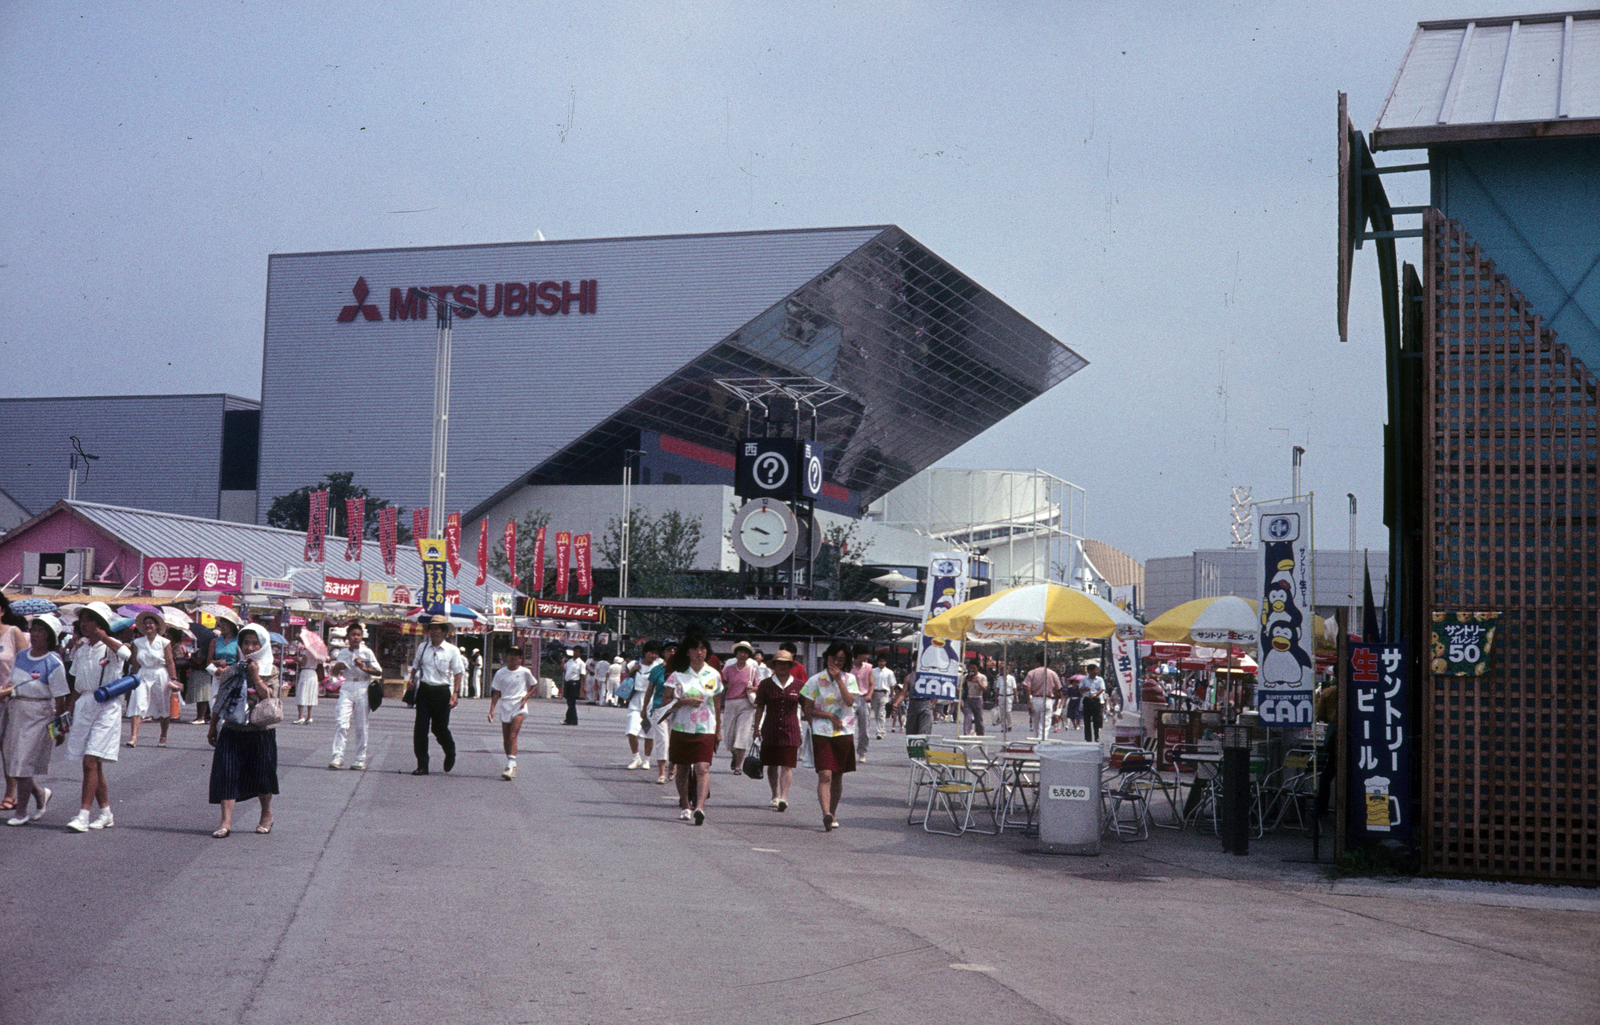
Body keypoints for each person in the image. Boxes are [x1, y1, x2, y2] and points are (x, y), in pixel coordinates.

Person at [64, 602, 130, 832]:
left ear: (100, 623)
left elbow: (126, 654)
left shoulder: (112, 648)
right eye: (82, 619)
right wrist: (67, 712)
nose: (84, 623)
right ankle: (105, 813)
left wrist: (103, 636)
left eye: (90, 618)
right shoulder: (81, 650)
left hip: (107, 705)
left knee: (90, 761)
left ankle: (83, 815)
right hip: (84, 705)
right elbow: (75, 686)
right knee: (95, 764)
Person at [207, 624, 278, 837]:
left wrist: (256, 677)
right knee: (227, 773)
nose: (249, 647)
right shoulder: (233, 668)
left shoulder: (271, 670)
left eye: (254, 643)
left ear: (263, 644)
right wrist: (213, 725)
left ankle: (266, 814)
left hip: (260, 729)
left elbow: (271, 697)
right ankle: (225, 822)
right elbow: (223, 697)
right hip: (233, 728)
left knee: (262, 775)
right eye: (246, 642)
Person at [4, 613, 69, 826]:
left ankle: (21, 811)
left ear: (51, 637)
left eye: (42, 631)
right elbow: (13, 681)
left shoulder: (54, 662)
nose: (36, 634)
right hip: (16, 711)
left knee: (23, 762)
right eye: (34, 629)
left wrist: (59, 730)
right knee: (16, 762)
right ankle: (40, 794)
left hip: (39, 714)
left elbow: (60, 699)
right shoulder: (22, 656)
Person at [800, 641, 859, 832]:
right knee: (825, 774)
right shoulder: (814, 680)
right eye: (834, 658)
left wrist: (839, 680)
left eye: (842, 660)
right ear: (827, 657)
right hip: (822, 732)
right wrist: (829, 715)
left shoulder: (849, 679)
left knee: (838, 776)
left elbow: (849, 701)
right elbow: (807, 710)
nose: (837, 663)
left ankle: (833, 813)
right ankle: (825, 813)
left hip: (844, 732)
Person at [665, 635, 720, 825]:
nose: (700, 652)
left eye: (703, 648)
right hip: (682, 727)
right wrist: (683, 702)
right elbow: (664, 702)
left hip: (706, 728)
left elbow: (717, 705)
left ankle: (700, 807)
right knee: (682, 768)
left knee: (702, 767)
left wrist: (718, 730)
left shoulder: (714, 675)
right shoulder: (677, 675)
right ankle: (686, 805)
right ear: (687, 652)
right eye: (695, 648)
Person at [407, 615, 464, 775]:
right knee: (420, 730)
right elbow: (416, 666)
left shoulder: (452, 650)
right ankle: (422, 764)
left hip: (442, 692)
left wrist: (456, 693)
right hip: (424, 691)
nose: (432, 631)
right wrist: (411, 680)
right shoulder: (423, 647)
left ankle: (450, 751)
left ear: (444, 631)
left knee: (439, 729)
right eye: (431, 628)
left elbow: (458, 673)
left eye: (436, 628)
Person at [753, 647, 803, 812]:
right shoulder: (766, 684)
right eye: (779, 663)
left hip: (791, 728)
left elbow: (808, 707)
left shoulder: (799, 685)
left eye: (785, 664)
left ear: (790, 665)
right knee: (772, 764)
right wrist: (756, 728)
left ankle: (784, 797)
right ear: (774, 665)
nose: (782, 667)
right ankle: (774, 794)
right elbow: (760, 707)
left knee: (787, 764)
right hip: (771, 727)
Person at [328, 622, 381, 771]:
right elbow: (335, 673)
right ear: (348, 637)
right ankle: (337, 756)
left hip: (363, 687)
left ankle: (359, 758)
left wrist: (362, 667)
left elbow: (378, 671)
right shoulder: (343, 653)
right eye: (353, 635)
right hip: (347, 686)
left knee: (361, 724)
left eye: (358, 635)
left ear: (362, 637)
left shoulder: (367, 652)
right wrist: (337, 669)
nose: (356, 638)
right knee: (341, 721)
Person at [127, 609, 177, 748]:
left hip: (160, 673)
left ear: (156, 626)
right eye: (145, 624)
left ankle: (163, 735)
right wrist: (133, 678)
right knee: (138, 702)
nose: (148, 626)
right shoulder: (137, 642)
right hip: (143, 674)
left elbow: (169, 661)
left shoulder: (164, 642)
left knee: (163, 706)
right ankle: (133, 737)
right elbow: (135, 662)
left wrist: (173, 679)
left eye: (150, 623)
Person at [487, 647, 536, 780]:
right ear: (507, 656)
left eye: (516, 656)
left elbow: (534, 684)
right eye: (511, 655)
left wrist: (527, 696)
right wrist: (492, 709)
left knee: (513, 735)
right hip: (505, 704)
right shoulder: (500, 673)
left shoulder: (525, 672)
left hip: (519, 705)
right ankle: (511, 763)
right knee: (506, 739)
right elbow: (496, 692)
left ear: (520, 659)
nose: (513, 658)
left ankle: (510, 765)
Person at [717, 641, 759, 775]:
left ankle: (738, 766)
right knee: (729, 737)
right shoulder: (728, 669)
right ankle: (734, 756)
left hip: (746, 704)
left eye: (745, 652)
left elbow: (759, 687)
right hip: (730, 703)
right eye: (740, 652)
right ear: (736, 654)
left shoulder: (752, 670)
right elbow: (720, 684)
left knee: (742, 734)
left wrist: (754, 688)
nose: (742, 655)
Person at [638, 641, 678, 783]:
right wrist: (644, 708)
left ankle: (673, 765)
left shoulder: (683, 670)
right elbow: (650, 690)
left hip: (678, 708)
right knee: (662, 740)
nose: (672, 651)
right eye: (669, 649)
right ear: (663, 652)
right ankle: (661, 772)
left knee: (675, 740)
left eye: (675, 649)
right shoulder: (657, 670)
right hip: (659, 708)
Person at [624, 641, 662, 769]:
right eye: (651, 652)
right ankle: (636, 757)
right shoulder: (634, 664)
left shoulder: (659, 666)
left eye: (656, 653)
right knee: (631, 730)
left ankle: (647, 759)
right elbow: (626, 679)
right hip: (636, 700)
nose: (654, 655)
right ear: (645, 652)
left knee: (649, 732)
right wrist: (632, 670)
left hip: (651, 701)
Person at [1023, 655, 1061, 741]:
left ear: (1038, 662)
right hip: (1048, 700)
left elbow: (1027, 688)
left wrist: (1029, 702)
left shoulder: (1032, 672)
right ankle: (1042, 742)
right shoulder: (1053, 673)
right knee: (1045, 724)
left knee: (1035, 723)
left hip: (1035, 699)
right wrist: (1056, 702)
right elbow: (1058, 689)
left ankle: (1036, 741)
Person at [289, 635, 322, 725]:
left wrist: (297, 660)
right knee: (311, 694)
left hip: (306, 672)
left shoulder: (306, 652)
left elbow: (303, 662)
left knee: (302, 693)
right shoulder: (317, 654)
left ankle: (300, 716)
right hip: (313, 674)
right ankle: (310, 716)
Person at [850, 644, 874, 761]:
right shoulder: (848, 667)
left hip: (864, 699)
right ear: (859, 654)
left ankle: (862, 752)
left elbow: (871, 683)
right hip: (851, 699)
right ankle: (849, 752)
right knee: (850, 728)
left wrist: (869, 694)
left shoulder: (868, 667)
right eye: (865, 654)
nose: (867, 656)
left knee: (864, 729)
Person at [869, 655, 895, 740]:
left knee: (881, 713)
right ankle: (880, 729)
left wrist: (892, 695)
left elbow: (892, 685)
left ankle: (880, 731)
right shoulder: (873, 671)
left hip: (884, 693)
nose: (882, 663)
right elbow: (870, 683)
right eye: (880, 661)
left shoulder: (889, 672)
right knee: (876, 713)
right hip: (875, 693)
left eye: (883, 661)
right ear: (877, 662)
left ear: (886, 662)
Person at [1082, 663, 1107, 743]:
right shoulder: (1084, 679)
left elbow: (1102, 689)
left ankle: (1096, 736)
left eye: (1096, 670)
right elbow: (1080, 688)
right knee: (1087, 720)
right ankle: (1088, 738)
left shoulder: (1100, 679)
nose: (1096, 672)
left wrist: (1095, 694)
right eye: (1094, 670)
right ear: (1089, 671)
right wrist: (1085, 689)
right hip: (1087, 700)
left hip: (1096, 700)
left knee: (1097, 719)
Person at [961, 662, 988, 735]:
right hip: (968, 698)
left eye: (974, 668)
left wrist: (978, 682)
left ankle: (980, 734)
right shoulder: (966, 676)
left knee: (978, 719)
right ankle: (966, 734)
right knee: (967, 717)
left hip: (977, 698)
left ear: (977, 668)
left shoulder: (982, 677)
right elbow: (961, 685)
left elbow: (984, 689)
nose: (972, 669)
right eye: (971, 668)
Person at [561, 648, 584, 725]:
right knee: (569, 702)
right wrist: (562, 662)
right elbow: (562, 669)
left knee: (571, 702)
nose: (576, 653)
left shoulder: (581, 663)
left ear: (580, 654)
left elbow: (583, 675)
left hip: (575, 683)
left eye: (578, 652)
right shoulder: (569, 661)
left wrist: (583, 687)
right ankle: (572, 719)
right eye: (575, 651)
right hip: (568, 683)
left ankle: (570, 719)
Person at [993, 664, 1016, 732]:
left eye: (1007, 669)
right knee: (1002, 712)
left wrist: (1016, 697)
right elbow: (998, 688)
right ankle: (1003, 726)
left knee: (1008, 711)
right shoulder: (999, 678)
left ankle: (1009, 724)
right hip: (1001, 696)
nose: (1005, 671)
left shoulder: (1011, 678)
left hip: (1009, 696)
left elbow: (1014, 688)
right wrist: (996, 697)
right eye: (1003, 670)